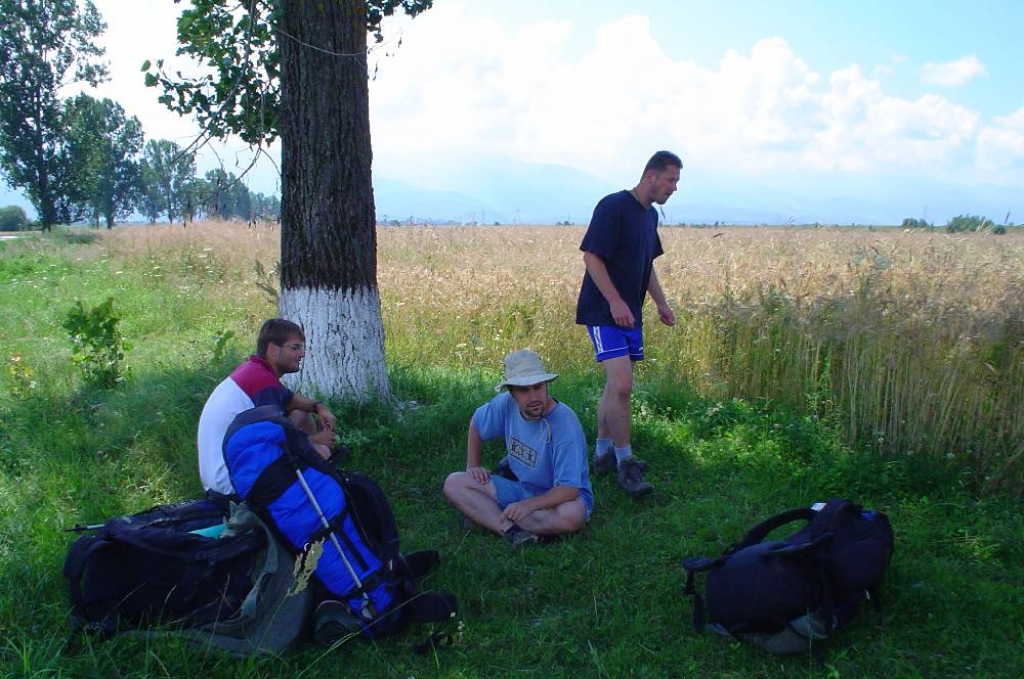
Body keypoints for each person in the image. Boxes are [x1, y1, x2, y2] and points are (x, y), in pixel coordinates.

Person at [575, 150, 682, 498]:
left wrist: (661, 303)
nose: (674, 188)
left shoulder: (649, 216)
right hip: (604, 311)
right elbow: (592, 257)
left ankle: (602, 453)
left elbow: (646, 265)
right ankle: (626, 462)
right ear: (651, 176)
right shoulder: (613, 206)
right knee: (622, 386)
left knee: (614, 387)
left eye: (676, 182)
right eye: (671, 180)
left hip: (630, 314)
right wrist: (615, 300)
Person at [443, 350, 594, 548]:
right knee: (454, 483)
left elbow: (569, 490)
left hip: (559, 499)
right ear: (512, 393)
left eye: (538, 387)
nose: (533, 397)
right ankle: (513, 530)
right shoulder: (506, 404)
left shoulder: (565, 424)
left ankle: (488, 515)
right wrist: (473, 466)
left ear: (546, 385)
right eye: (524, 390)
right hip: (522, 489)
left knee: (571, 515)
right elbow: (477, 423)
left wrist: (528, 506)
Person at [197, 317, 338, 497]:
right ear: (272, 349)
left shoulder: (254, 371)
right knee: (321, 452)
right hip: (233, 479)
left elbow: (289, 398)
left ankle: (312, 485)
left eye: (302, 348)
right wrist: (314, 442)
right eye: (295, 348)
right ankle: (318, 499)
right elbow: (276, 440)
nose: (302, 354)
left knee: (302, 414)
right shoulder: (262, 381)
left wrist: (319, 407)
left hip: (216, 478)